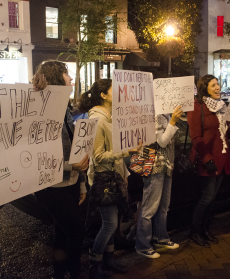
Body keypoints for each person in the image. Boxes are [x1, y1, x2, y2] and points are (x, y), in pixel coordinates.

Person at [32, 60, 89, 279]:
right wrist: (70, 166)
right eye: (67, 74)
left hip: (71, 182)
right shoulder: (40, 112)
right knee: (75, 229)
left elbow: (74, 150)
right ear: (56, 77)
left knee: (62, 230)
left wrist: (81, 182)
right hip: (51, 185)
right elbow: (38, 157)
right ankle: (74, 273)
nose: (72, 79)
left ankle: (59, 273)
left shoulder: (65, 110)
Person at [78, 79, 140, 279]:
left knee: (113, 221)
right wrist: (126, 151)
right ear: (104, 95)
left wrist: (125, 174)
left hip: (115, 177)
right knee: (110, 224)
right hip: (103, 180)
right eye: (115, 90)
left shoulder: (112, 117)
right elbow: (98, 156)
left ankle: (109, 259)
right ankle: (94, 265)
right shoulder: (97, 119)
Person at [187, 75, 230, 247]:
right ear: (205, 88)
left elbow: (225, 134)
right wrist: (207, 158)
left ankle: (205, 229)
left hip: (221, 158)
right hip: (207, 159)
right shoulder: (197, 107)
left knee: (212, 198)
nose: (218, 87)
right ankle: (195, 232)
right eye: (213, 85)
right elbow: (196, 137)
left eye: (218, 84)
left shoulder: (221, 107)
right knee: (207, 197)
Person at [135, 106, 183, 258]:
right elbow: (161, 142)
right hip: (154, 166)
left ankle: (161, 238)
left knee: (163, 206)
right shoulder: (151, 114)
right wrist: (173, 121)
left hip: (167, 164)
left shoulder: (166, 113)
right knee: (149, 208)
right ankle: (142, 245)